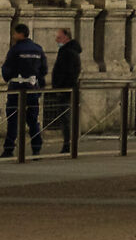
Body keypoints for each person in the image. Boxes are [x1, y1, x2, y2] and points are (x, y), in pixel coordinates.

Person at [2, 20, 47, 159]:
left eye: (15, 33)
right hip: (33, 88)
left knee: (13, 119)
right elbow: (43, 69)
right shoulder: (38, 49)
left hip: (17, 87)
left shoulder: (15, 50)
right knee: (33, 119)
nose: (13, 35)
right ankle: (36, 148)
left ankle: (9, 149)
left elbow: (7, 69)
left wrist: (8, 77)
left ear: (20, 34)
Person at [48, 26, 81, 154]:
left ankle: (68, 144)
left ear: (66, 37)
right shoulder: (71, 51)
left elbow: (67, 71)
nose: (57, 40)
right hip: (68, 88)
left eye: (59, 37)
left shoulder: (67, 51)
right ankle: (68, 143)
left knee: (66, 118)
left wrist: (60, 87)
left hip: (66, 89)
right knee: (66, 117)